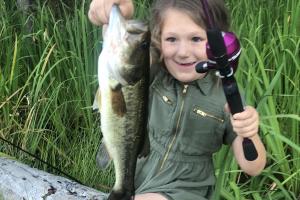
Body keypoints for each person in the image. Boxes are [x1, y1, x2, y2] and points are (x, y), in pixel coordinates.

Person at [88, 0, 267, 199]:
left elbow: (253, 167)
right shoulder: (153, 71)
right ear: (158, 41)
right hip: (138, 179)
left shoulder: (227, 95)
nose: (183, 52)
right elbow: (124, 51)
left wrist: (249, 132)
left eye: (196, 39)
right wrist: (118, 11)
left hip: (188, 191)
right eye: (172, 39)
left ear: (220, 41)